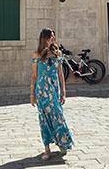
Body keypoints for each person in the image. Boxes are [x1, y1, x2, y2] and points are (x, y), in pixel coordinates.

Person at [31, 29, 73, 161]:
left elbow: (61, 74)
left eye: (54, 36)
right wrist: (32, 95)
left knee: (58, 116)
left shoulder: (57, 53)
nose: (54, 38)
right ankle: (47, 149)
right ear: (45, 38)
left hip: (54, 90)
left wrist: (64, 92)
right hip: (42, 90)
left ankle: (62, 141)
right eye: (51, 36)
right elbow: (34, 76)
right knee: (44, 119)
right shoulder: (37, 55)